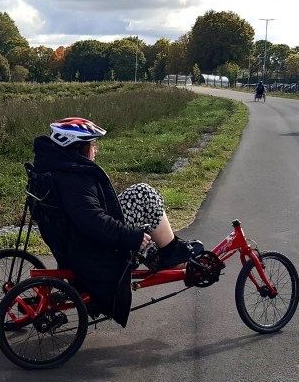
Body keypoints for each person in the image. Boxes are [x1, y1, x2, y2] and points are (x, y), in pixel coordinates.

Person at [31, 117, 202, 327]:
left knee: (142, 195)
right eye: (93, 144)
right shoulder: (72, 177)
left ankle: (168, 251)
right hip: (91, 251)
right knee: (144, 194)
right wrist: (132, 237)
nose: (96, 149)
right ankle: (171, 254)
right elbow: (92, 222)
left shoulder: (57, 165)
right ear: (77, 147)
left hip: (76, 241)